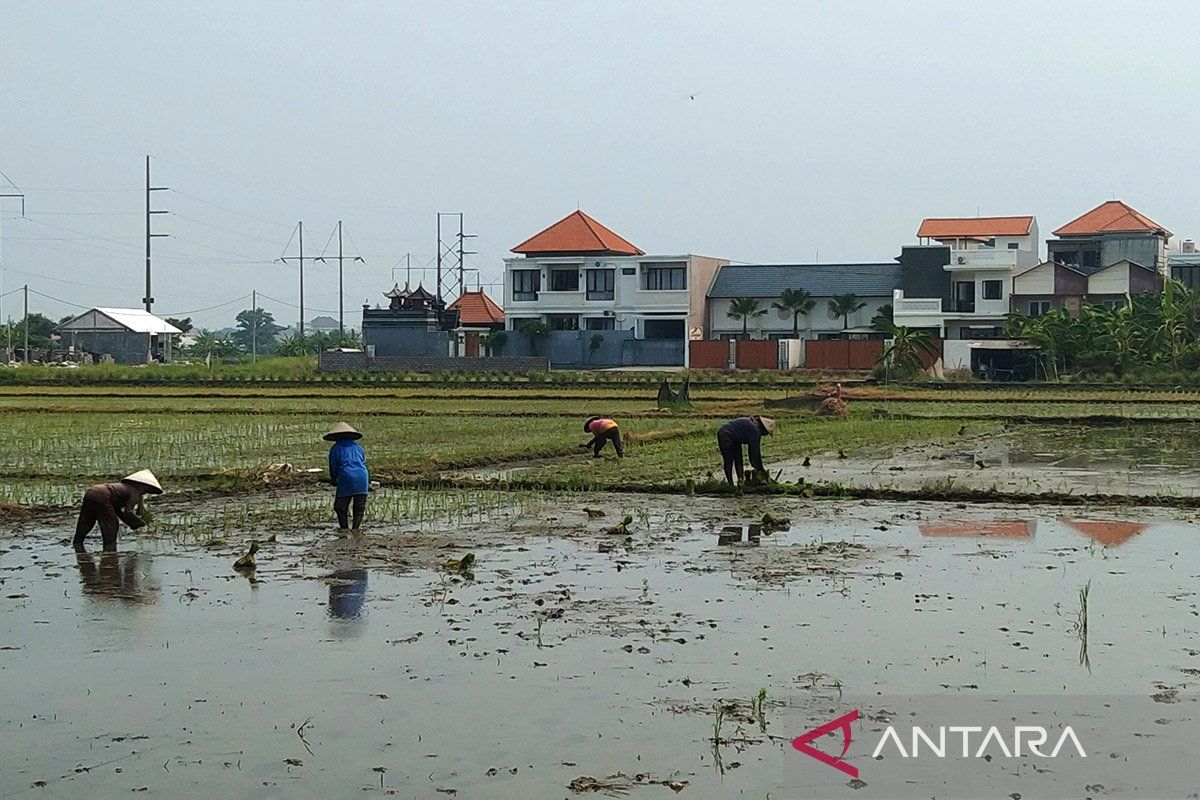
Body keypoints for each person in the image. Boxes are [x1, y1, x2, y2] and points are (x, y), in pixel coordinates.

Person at [73, 470, 163, 552]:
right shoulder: (135, 493)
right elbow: (128, 512)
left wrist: (130, 522)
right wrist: (139, 522)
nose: (144, 493)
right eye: (146, 490)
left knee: (86, 521)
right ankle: (110, 551)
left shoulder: (124, 488)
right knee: (111, 526)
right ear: (142, 486)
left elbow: (117, 511)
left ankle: (78, 544)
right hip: (103, 495)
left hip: (91, 492)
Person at [325, 422, 369, 531]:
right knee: (359, 508)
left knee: (340, 507)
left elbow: (333, 467)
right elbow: (362, 462)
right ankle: (356, 530)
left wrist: (334, 479)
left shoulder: (336, 448)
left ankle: (344, 529)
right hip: (363, 477)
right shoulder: (358, 448)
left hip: (346, 477)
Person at [716, 415, 776, 486]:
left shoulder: (754, 426)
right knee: (729, 460)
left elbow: (752, 453)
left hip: (736, 438)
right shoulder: (755, 431)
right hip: (725, 435)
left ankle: (741, 482)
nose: (765, 435)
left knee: (739, 460)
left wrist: (758, 467)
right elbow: (755, 453)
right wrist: (761, 470)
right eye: (767, 433)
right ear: (764, 429)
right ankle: (730, 484)